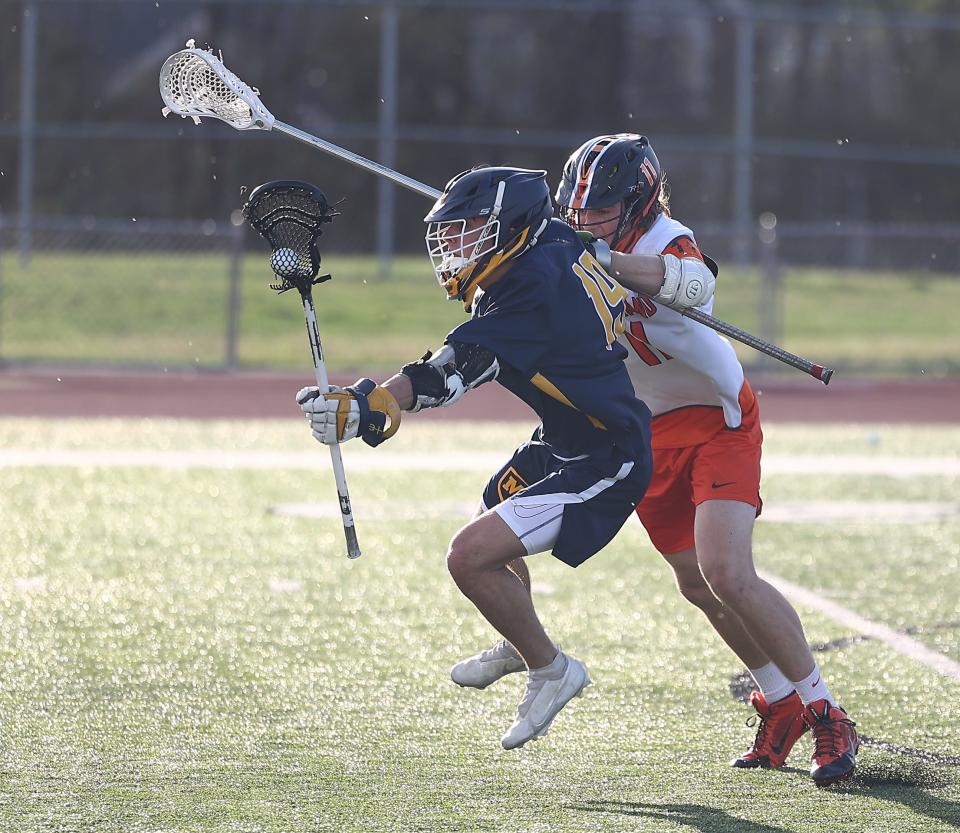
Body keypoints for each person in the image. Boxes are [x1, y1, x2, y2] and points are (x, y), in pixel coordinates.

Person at [453, 135, 859, 787]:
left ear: (638, 202)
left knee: (728, 571)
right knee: (695, 582)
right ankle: (778, 700)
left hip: (717, 418)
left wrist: (601, 256)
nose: (584, 221)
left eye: (601, 209)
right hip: (641, 432)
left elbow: (694, 282)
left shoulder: (665, 239)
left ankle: (826, 710)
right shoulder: (570, 240)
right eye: (577, 211)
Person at [296, 165, 657, 750]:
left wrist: (374, 403)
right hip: (563, 440)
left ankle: (551, 669)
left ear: (510, 228)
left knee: (469, 556)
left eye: (467, 231)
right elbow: (568, 245)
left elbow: (450, 371)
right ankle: (521, 641)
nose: (453, 248)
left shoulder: (533, 290)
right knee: (498, 499)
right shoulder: (550, 243)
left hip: (606, 454)